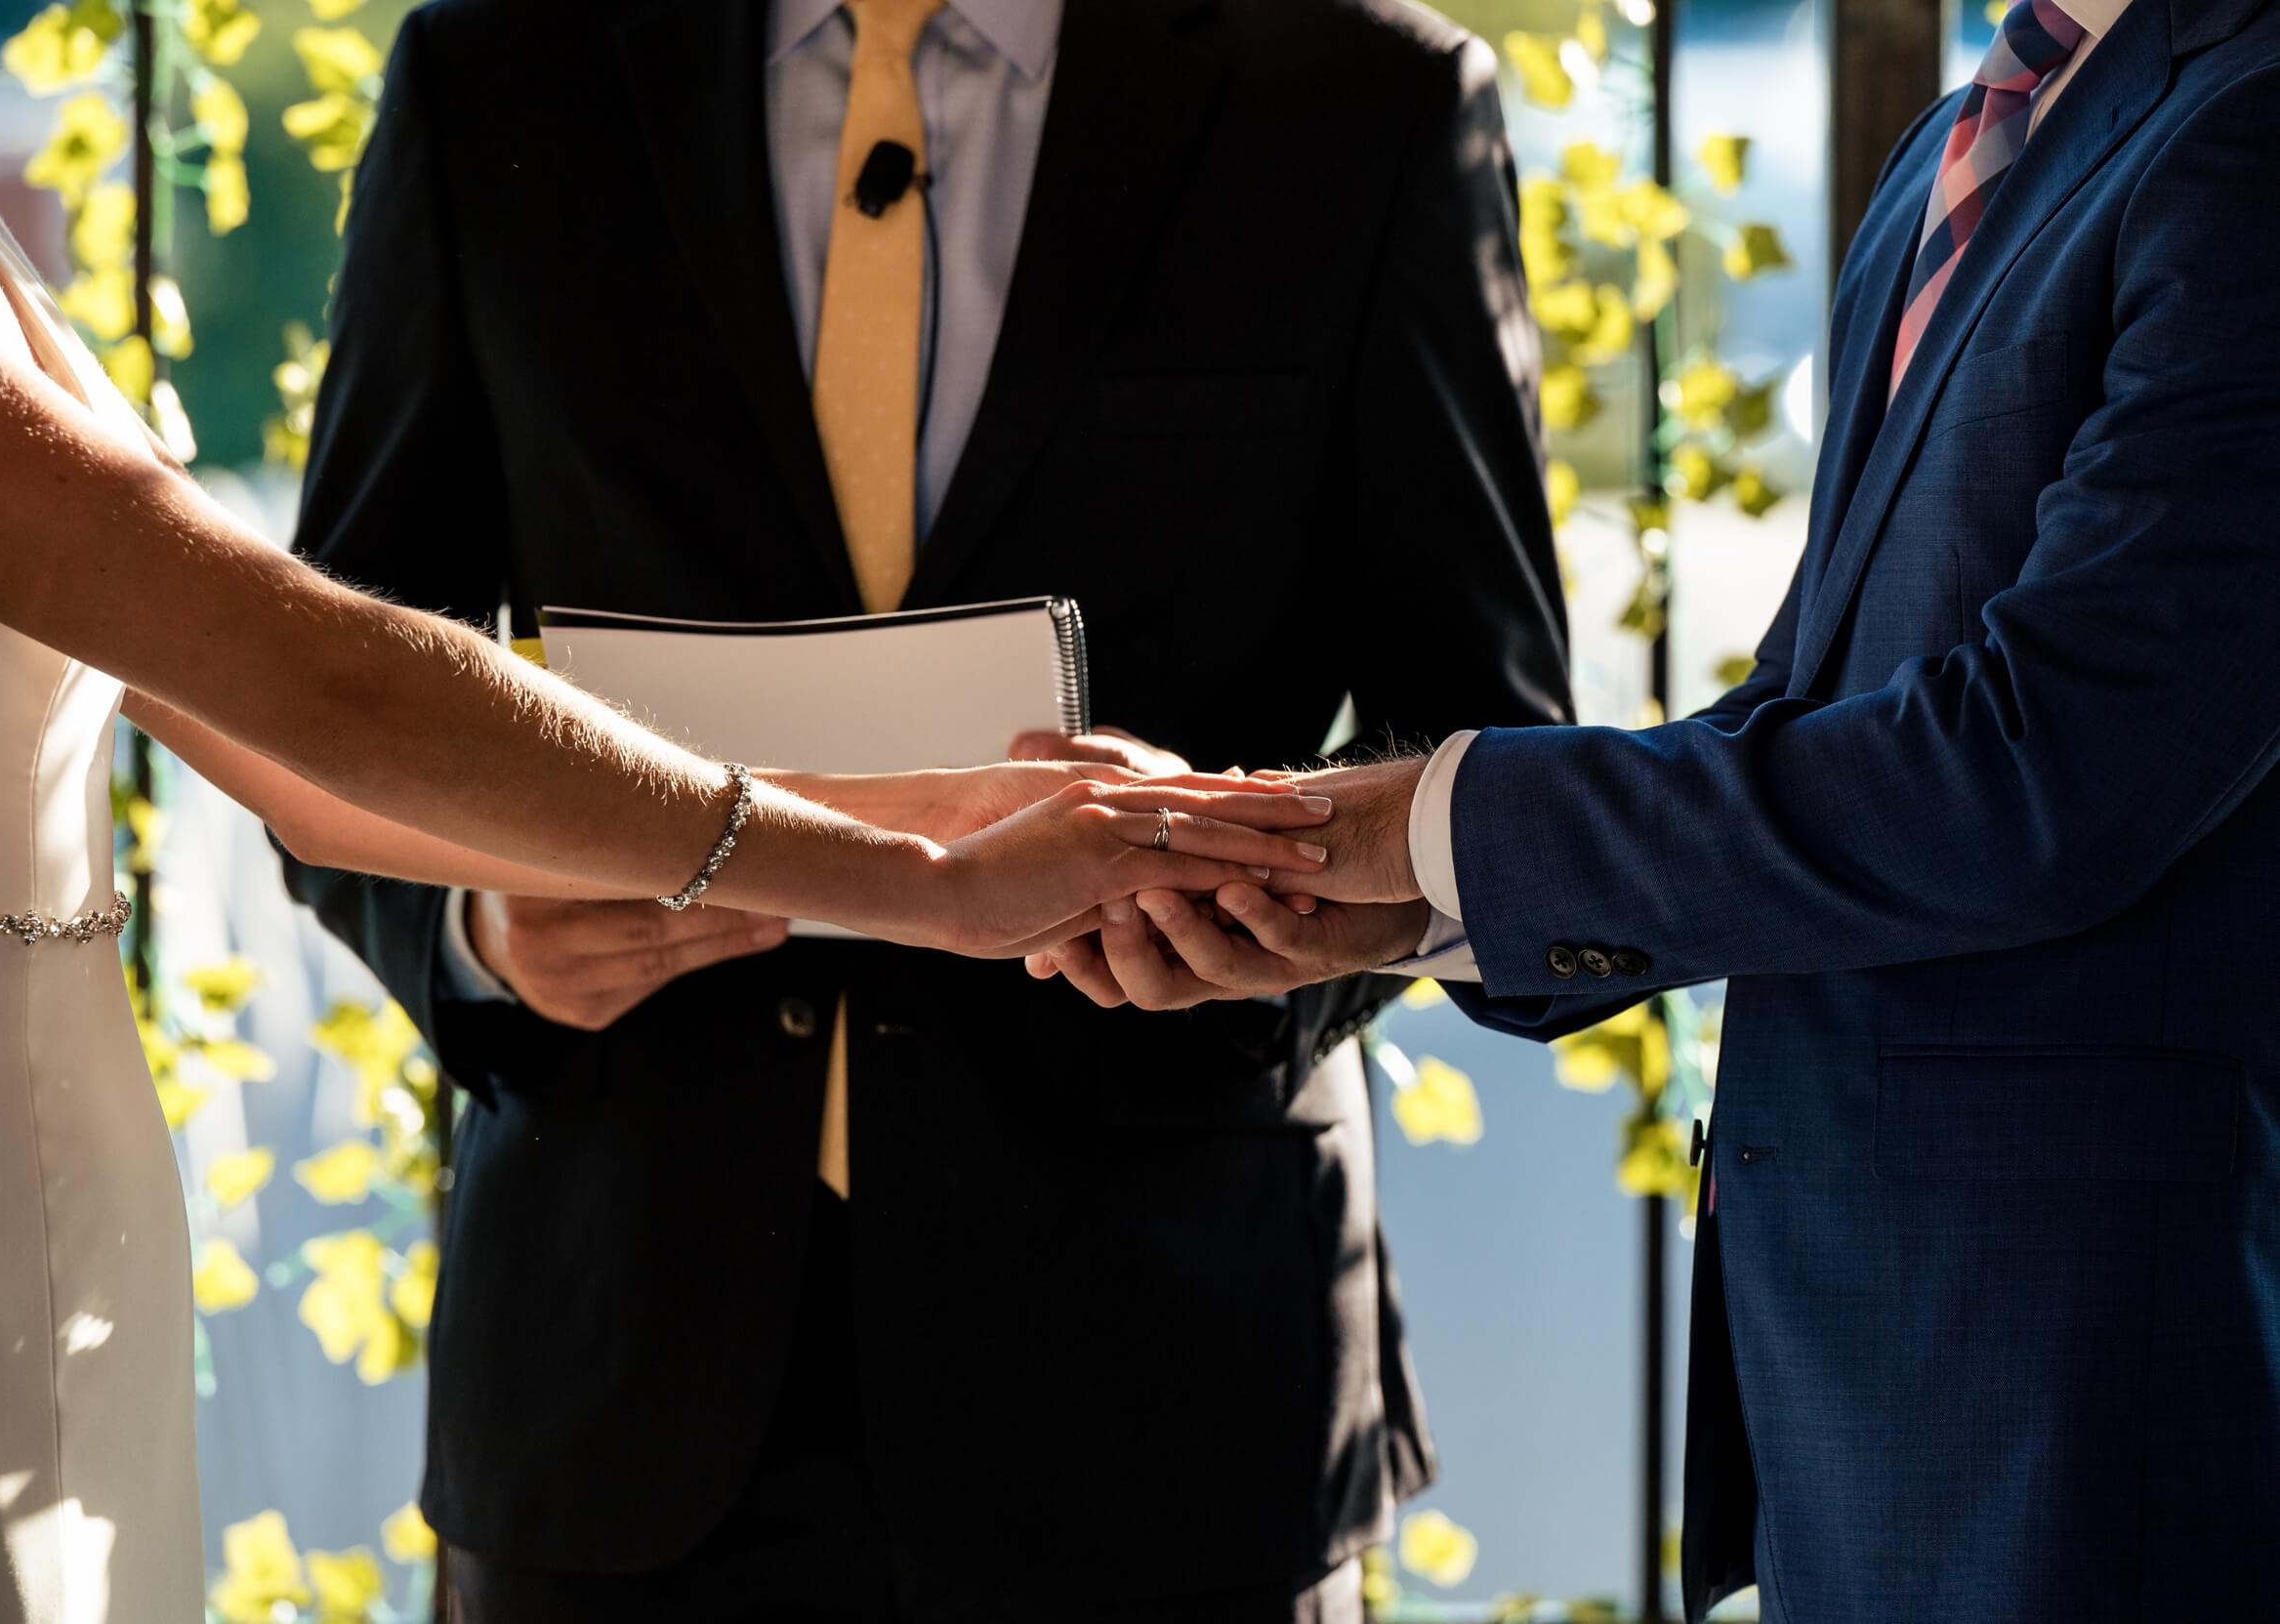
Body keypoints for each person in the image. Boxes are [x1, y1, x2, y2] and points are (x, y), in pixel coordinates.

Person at [0, 15, 1334, 1618]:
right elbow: (316, 686)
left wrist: (953, 814)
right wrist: (922, 879)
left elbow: (300, 773)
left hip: (45, 1167)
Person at [277, 0, 1570, 1618]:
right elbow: (331, 689)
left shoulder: (1367, 94)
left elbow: (1483, 737)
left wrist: (1262, 905)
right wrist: (476, 931)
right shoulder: (499, 70)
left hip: (1162, 1378)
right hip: (616, 1377)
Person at [1039, 0, 2280, 1618]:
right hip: (1884, 1369)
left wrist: (1430, 827)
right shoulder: (1961, 146)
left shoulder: (2248, 126)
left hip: (2097, 1387)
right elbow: (1823, 711)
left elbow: (2048, 769)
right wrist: (1408, 890)